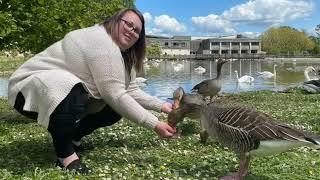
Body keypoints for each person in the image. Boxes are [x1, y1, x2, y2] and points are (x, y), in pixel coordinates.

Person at [8, 8, 176, 174]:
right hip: (25, 90)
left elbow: (130, 89)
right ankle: (65, 157)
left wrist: (163, 106)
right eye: (128, 24)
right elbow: (114, 94)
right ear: (115, 21)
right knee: (70, 88)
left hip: (57, 92)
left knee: (113, 110)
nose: (132, 31)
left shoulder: (123, 55)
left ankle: (73, 137)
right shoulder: (101, 41)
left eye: (137, 30)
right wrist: (155, 124)